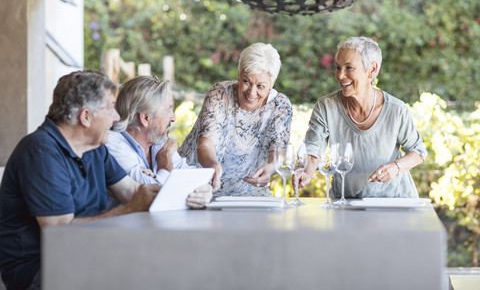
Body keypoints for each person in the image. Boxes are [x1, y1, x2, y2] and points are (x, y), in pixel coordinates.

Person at [0, 71, 210, 290]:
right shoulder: (41, 152)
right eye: (110, 108)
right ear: (86, 117)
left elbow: (135, 192)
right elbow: (61, 234)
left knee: (171, 264)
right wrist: (130, 208)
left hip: (88, 253)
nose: (117, 118)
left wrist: (193, 192)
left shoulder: (94, 150)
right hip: (43, 269)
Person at [298, 37, 427, 198]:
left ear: (372, 70)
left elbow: (418, 152)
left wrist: (396, 167)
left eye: (349, 68)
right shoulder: (326, 106)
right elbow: (313, 148)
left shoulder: (396, 110)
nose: (340, 75)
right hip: (346, 202)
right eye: (338, 68)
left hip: (393, 202)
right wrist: (306, 172)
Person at [178, 42, 293, 196]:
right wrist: (213, 165)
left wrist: (271, 170)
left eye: (260, 86)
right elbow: (205, 146)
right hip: (200, 186)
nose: (251, 93)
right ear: (238, 74)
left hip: (247, 191)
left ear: (273, 82)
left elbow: (278, 157)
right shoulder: (219, 94)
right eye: (246, 81)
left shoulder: (280, 106)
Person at [106, 75, 212, 207]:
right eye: (169, 109)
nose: (173, 118)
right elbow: (155, 197)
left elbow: (193, 178)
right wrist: (165, 162)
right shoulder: (112, 144)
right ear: (145, 118)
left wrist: (203, 191)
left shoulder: (158, 142)